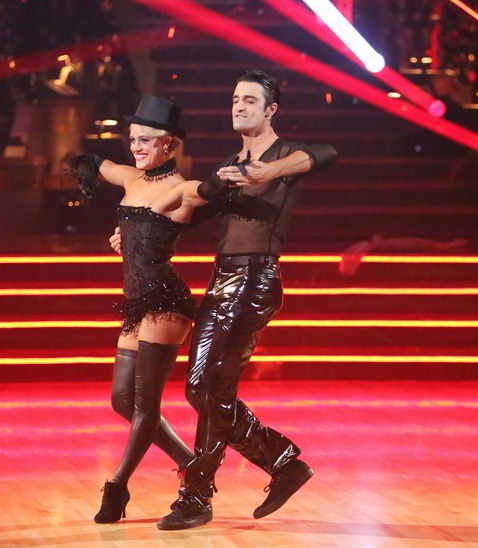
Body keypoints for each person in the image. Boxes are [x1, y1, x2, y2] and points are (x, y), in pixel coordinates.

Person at [111, 70, 338, 530]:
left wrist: (268, 171)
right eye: (235, 99)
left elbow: (326, 153)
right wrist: (131, 234)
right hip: (221, 280)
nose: (239, 106)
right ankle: (282, 462)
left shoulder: (284, 156)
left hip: (255, 279)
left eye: (250, 100)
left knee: (210, 388)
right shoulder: (228, 166)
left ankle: (196, 496)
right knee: (201, 390)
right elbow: (183, 215)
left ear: (271, 110)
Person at [68, 96, 216, 524]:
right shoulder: (133, 178)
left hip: (166, 303)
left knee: (145, 406)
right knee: (121, 401)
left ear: (168, 144)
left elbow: (204, 192)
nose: (136, 147)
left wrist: (233, 178)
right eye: (133, 139)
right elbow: (96, 162)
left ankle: (117, 486)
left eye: (146, 140)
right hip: (138, 303)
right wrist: (87, 166)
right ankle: (194, 465)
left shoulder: (179, 188)